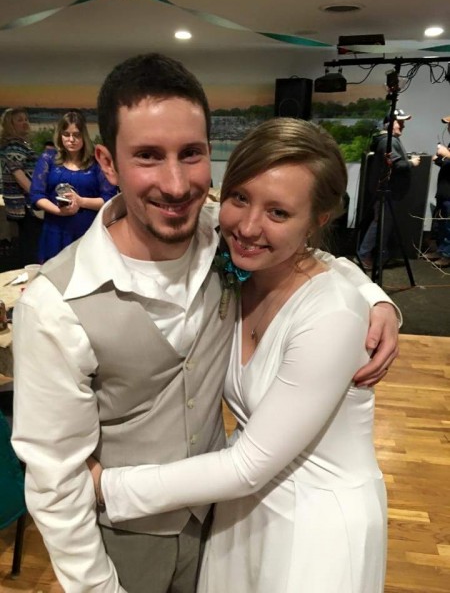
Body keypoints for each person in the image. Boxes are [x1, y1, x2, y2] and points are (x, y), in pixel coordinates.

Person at [12, 53, 399, 593]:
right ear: (107, 162)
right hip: (125, 543)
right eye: (148, 155)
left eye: (190, 153)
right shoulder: (55, 304)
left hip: (225, 526)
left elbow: (306, 254)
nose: (175, 185)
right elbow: (54, 478)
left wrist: (375, 298)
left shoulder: (223, 236)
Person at [89, 117, 388, 593]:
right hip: (241, 511)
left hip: (314, 527)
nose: (247, 227)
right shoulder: (240, 261)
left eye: (278, 213)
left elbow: (246, 465)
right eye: (239, 198)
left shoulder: (331, 314)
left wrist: (105, 486)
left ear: (318, 220)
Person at [30, 109, 117, 263]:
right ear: (60, 135)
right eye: (66, 134)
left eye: (76, 135)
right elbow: (36, 195)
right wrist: (58, 211)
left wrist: (80, 201)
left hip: (87, 233)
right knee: (53, 274)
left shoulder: (96, 163)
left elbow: (109, 199)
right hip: (54, 232)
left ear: (84, 136)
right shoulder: (48, 159)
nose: (71, 139)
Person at [358, 109, 420, 270]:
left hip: (389, 191)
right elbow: (397, 165)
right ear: (389, 124)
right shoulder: (388, 141)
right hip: (386, 191)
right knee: (379, 223)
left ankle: (380, 255)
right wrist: (412, 162)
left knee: (384, 223)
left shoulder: (390, 140)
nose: (403, 125)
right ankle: (363, 255)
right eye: (400, 122)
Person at [0, 107, 41, 265]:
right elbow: (18, 173)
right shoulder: (15, 147)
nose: (25, 123)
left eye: (26, 119)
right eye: (19, 120)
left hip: (23, 204)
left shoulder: (17, 145)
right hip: (25, 204)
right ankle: (30, 272)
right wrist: (37, 195)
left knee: (27, 242)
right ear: (10, 125)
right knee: (30, 244)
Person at [426, 115, 450, 268]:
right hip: (444, 191)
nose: (448, 128)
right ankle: (441, 251)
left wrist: (446, 154)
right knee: (441, 224)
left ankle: (447, 255)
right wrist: (439, 160)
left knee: (448, 225)